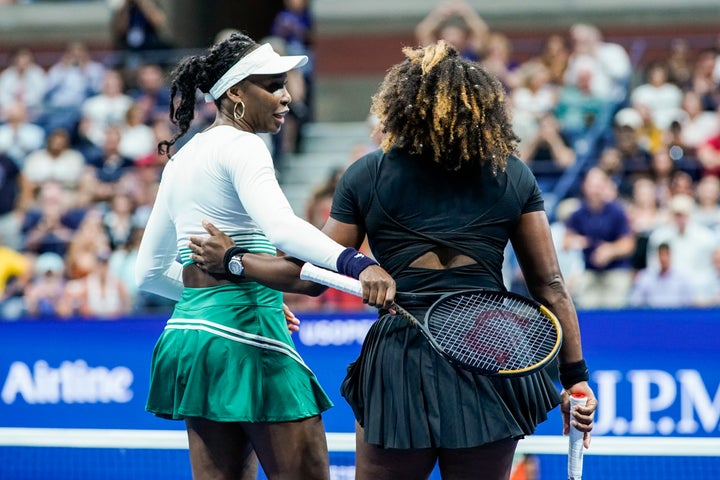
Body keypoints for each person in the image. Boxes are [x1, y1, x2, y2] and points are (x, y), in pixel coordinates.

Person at [189, 40, 596, 480]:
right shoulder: (513, 173)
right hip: (489, 353)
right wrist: (575, 379)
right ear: (479, 107)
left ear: (400, 106)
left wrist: (233, 260)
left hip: (400, 359)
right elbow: (550, 285)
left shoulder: (368, 173)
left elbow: (311, 274)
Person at [134, 33, 395, 480]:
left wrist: (226, 296)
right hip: (246, 335)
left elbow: (149, 274)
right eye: (272, 85)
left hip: (191, 337)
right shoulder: (244, 144)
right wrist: (358, 263)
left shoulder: (183, 156)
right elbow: (282, 230)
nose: (286, 96)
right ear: (234, 93)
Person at [564, 167, 636, 309]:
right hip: (590, 273)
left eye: (599, 185)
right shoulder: (578, 214)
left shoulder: (617, 211)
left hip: (615, 272)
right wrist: (576, 241)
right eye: (592, 185)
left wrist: (610, 251)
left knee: (614, 312)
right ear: (585, 186)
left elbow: (628, 244)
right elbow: (566, 241)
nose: (596, 190)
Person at [628, 242, 696, 308]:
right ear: (656, 256)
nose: (664, 258)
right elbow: (635, 301)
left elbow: (688, 304)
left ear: (671, 255)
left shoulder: (682, 278)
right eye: (661, 254)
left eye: (666, 254)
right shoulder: (646, 277)